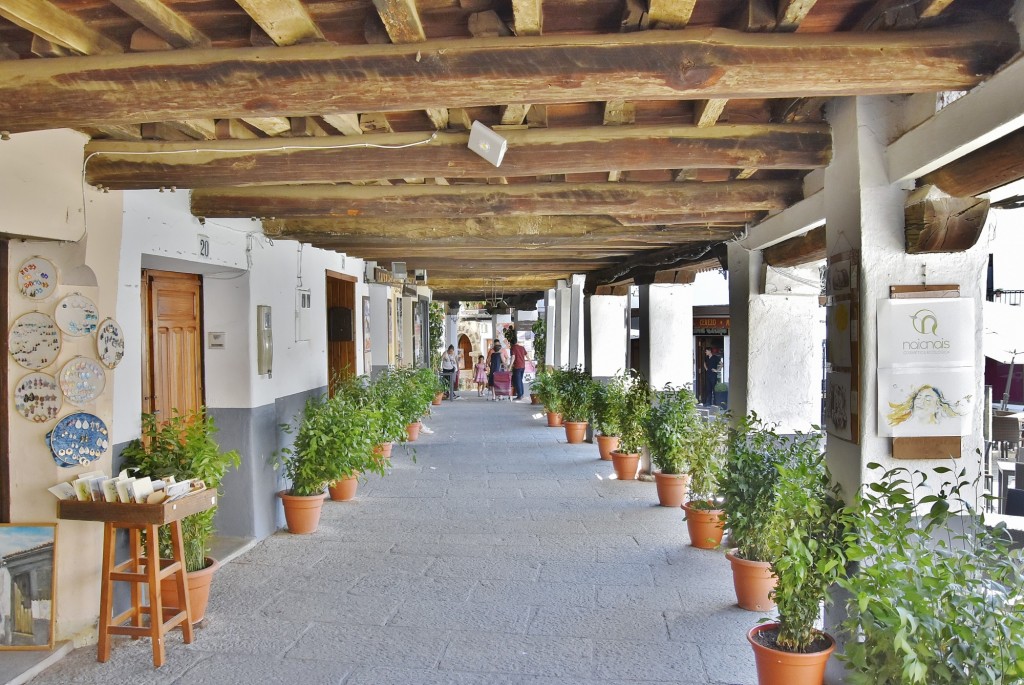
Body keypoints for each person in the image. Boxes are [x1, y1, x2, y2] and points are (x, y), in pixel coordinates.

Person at [509, 334, 528, 401]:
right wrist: (530, 362)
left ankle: (520, 395)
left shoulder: (513, 348)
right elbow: (527, 355)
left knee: (517, 381)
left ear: (511, 343)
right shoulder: (522, 347)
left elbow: (513, 357)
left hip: (517, 366)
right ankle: (521, 394)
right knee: (520, 380)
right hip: (523, 366)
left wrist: (510, 366)